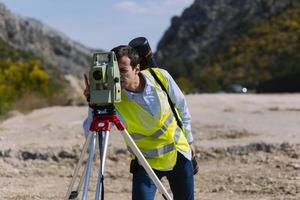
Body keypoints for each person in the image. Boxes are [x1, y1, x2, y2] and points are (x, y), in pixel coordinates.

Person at [83, 45, 195, 200]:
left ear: (137, 68)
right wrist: (93, 104)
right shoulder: (113, 99)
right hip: (145, 162)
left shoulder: (160, 77)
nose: (117, 77)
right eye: (113, 71)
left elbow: (182, 107)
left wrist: (189, 140)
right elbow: (92, 135)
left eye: (122, 71)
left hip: (179, 154)